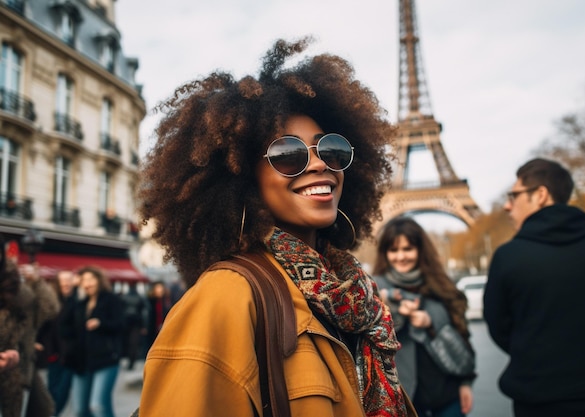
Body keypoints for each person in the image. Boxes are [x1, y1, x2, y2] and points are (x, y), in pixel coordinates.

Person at [135, 38, 416, 416]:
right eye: (289, 155)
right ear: (242, 180)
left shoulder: (354, 293)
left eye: (330, 149)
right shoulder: (225, 296)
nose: (319, 165)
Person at [483, 158, 585, 417]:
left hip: (540, 402)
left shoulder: (508, 257)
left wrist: (535, 350)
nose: (507, 206)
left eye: (513, 196)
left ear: (540, 195)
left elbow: (499, 326)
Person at [372, 217, 475, 417]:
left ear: (420, 250)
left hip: (446, 395)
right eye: (394, 250)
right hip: (402, 400)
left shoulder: (441, 285)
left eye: (408, 249)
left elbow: (462, 334)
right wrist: (392, 314)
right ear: (385, 254)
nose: (401, 256)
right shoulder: (374, 289)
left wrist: (465, 382)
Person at [0, 239, 59, 417]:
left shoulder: (14, 282)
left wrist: (37, 280)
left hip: (20, 369)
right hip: (12, 365)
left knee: (43, 408)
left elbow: (49, 309)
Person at [60, 266, 125, 417]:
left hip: (106, 359)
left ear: (99, 280)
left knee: (98, 406)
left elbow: (121, 325)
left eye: (91, 279)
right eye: (83, 281)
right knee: (80, 410)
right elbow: (63, 324)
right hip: (82, 362)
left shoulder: (111, 299)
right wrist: (75, 291)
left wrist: (101, 323)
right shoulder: (80, 304)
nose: (87, 283)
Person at [35, 269, 77, 416]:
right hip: (53, 352)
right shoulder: (52, 301)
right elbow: (42, 323)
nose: (66, 283)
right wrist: (37, 340)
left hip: (71, 354)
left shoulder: (77, 300)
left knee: (63, 390)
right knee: (52, 389)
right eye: (63, 280)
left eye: (69, 279)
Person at [121, 282, 147, 370]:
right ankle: (131, 361)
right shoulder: (139, 298)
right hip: (136, 322)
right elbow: (144, 312)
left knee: (128, 343)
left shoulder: (124, 297)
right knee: (133, 343)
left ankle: (129, 360)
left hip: (127, 322)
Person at [144, 281, 170, 353]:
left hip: (162, 327)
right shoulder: (150, 301)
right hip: (152, 327)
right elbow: (147, 314)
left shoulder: (165, 301)